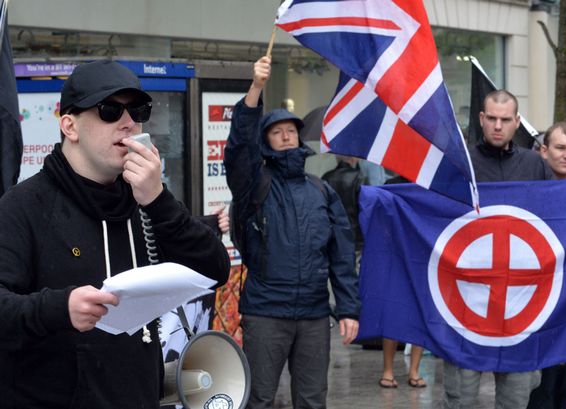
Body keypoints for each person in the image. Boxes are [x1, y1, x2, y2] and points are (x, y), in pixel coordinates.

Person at [0, 60, 230, 409]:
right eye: (109, 110)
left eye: (138, 110)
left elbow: (215, 269)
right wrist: (59, 308)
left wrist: (158, 200)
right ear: (70, 126)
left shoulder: (146, 199)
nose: (128, 123)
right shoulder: (23, 206)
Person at [224, 55, 360, 409]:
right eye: (276, 131)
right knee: (259, 399)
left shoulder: (320, 190)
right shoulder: (254, 183)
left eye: (291, 130)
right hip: (266, 313)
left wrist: (347, 308)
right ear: (266, 140)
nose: (285, 136)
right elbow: (239, 148)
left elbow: (341, 254)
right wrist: (255, 89)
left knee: (313, 399)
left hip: (315, 315)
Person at [443, 89, 552, 409]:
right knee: (459, 400)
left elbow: (555, 223)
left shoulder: (535, 165)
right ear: (481, 118)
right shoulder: (459, 163)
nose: (498, 125)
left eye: (505, 119)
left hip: (521, 306)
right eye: (491, 118)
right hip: (466, 304)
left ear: (517, 122)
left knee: (516, 401)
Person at [525, 122, 566, 409]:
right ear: (543, 150)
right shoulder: (526, 194)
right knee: (541, 392)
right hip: (538, 310)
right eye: (561, 147)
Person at [378, 175, 426, 389]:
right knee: (393, 313)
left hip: (422, 256)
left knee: (420, 313)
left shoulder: (429, 184)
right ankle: (388, 370)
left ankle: (414, 370)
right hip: (396, 255)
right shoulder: (391, 185)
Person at [322, 155, 365, 257]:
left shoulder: (326, 177)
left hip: (332, 237)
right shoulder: (359, 177)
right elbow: (365, 210)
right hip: (355, 238)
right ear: (354, 158)